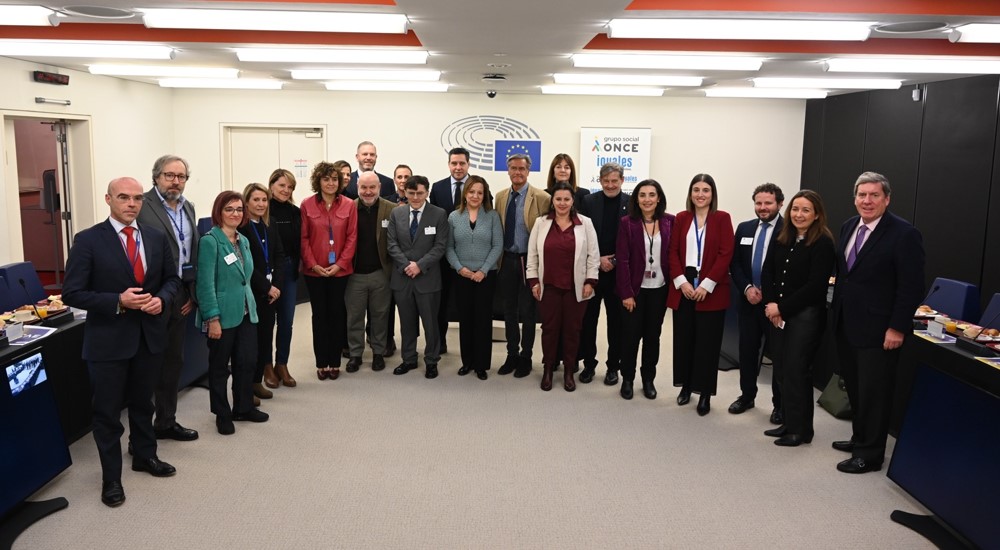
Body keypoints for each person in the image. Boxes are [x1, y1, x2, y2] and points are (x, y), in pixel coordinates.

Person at [63, 176, 181, 508]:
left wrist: (162, 298)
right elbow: (72, 293)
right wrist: (118, 300)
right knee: (108, 413)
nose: (131, 204)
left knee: (144, 404)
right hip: (108, 341)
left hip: (149, 336)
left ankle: (145, 456)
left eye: (137, 198)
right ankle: (111, 477)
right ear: (108, 199)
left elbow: (172, 280)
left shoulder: (156, 238)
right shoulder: (88, 240)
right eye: (123, 197)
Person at [831, 172, 924, 473]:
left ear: (887, 198)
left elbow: (911, 287)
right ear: (854, 197)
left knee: (875, 392)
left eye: (874, 195)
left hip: (880, 330)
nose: (867, 201)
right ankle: (860, 438)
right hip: (848, 324)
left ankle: (869, 455)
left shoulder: (904, 234)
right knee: (856, 389)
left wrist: (897, 327)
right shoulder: (848, 226)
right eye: (862, 195)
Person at [759, 190, 836, 446]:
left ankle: (801, 431)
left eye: (805, 210)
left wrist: (780, 307)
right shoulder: (783, 236)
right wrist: (771, 303)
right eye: (795, 209)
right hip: (778, 313)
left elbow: (815, 286)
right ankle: (789, 424)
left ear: (816, 215)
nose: (799, 214)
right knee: (781, 370)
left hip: (806, 317)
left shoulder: (823, 242)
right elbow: (767, 270)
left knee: (797, 371)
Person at [136, 154, 199, 443]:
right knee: (148, 367)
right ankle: (141, 432)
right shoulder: (141, 206)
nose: (176, 182)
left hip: (180, 296)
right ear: (156, 176)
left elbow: (190, 254)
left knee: (174, 362)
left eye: (181, 176)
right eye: (169, 175)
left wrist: (191, 293)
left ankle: (165, 421)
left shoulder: (189, 208)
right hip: (152, 297)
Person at [196, 191, 269, 435]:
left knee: (247, 362)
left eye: (239, 209)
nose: (235, 214)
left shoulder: (243, 240)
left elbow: (244, 278)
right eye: (229, 209)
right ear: (219, 212)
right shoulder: (210, 241)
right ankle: (222, 413)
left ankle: (243, 406)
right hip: (222, 314)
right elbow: (205, 284)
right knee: (219, 367)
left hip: (247, 311)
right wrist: (212, 318)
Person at [667, 173, 735, 416]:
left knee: (707, 344)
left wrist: (706, 285)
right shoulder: (682, 218)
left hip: (711, 291)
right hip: (684, 287)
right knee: (684, 340)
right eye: (696, 189)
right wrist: (681, 282)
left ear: (712, 194)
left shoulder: (722, 218)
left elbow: (726, 253)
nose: (700, 194)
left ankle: (704, 393)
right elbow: (672, 252)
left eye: (705, 190)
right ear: (690, 193)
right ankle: (685, 386)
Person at [526, 183, 599, 392]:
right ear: (552, 201)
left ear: (573, 201)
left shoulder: (585, 223)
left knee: (572, 330)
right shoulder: (541, 223)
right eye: (558, 199)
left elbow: (593, 256)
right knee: (549, 330)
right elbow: (532, 255)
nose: (562, 203)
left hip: (576, 288)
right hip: (548, 287)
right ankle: (548, 368)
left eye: (566, 199)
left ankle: (568, 370)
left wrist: (590, 282)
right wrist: (533, 281)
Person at [729, 183, 785, 421]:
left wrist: (772, 297)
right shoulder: (744, 228)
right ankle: (747, 396)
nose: (762, 208)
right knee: (747, 351)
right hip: (748, 302)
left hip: (776, 307)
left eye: (768, 203)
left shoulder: (789, 230)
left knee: (779, 356)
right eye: (758, 203)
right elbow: (736, 264)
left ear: (780, 204)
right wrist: (747, 288)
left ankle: (779, 405)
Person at [615, 179, 674, 400]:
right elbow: (622, 260)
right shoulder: (627, 223)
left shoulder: (670, 222)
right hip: (635, 290)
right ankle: (627, 379)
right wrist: (627, 293)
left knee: (653, 336)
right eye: (642, 195)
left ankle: (648, 379)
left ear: (659, 198)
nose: (647, 199)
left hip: (659, 289)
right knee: (630, 336)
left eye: (651, 195)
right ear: (636, 199)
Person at [386, 175, 450, 379]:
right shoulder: (397, 213)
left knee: (431, 324)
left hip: (428, 278)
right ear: (405, 192)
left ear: (427, 193)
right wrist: (407, 266)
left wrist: (420, 266)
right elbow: (391, 244)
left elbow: (440, 246)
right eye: (411, 193)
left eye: (420, 193)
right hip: (402, 278)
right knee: (406, 323)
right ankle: (409, 359)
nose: (415, 197)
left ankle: (431, 361)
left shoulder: (439, 214)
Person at [300, 161, 358, 380]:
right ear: (319, 181)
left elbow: (352, 237)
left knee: (336, 314)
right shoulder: (307, 205)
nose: (331, 183)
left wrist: (340, 264)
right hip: (314, 271)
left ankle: (334, 362)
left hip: (340, 271)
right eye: (326, 179)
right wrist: (313, 263)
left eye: (335, 179)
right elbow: (304, 238)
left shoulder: (349, 205)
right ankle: (321, 362)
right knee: (319, 316)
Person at [495, 153, 551, 378]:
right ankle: (511, 354)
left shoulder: (541, 197)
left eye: (521, 169)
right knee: (508, 310)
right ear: (507, 170)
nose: (517, 172)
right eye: (513, 169)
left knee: (528, 311)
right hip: (507, 260)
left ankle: (526, 357)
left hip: (529, 261)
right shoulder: (500, 197)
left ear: (528, 171)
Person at [446, 175, 503, 380]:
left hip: (485, 277)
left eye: (479, 192)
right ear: (465, 193)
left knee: (482, 320)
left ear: (484, 194)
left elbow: (498, 245)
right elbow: (449, 247)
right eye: (471, 192)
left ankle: (481, 365)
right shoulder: (453, 217)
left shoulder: (492, 216)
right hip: (462, 276)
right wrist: (460, 268)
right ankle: (467, 362)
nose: (475, 196)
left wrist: (484, 270)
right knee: (466, 320)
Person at [578, 162, 629, 385]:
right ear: (600, 181)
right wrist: (598, 260)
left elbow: (632, 240)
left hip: (618, 272)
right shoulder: (588, 202)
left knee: (616, 323)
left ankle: (613, 367)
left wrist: (615, 260)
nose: (610, 185)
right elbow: (581, 236)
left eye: (614, 181)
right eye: (606, 181)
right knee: (588, 321)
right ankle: (589, 364)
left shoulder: (631, 203)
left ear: (622, 181)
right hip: (592, 270)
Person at [345, 171, 396, 373]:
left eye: (372, 187)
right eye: (364, 187)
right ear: (357, 187)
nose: (368, 191)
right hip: (354, 273)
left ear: (379, 187)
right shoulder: (348, 208)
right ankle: (355, 354)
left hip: (381, 272)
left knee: (380, 316)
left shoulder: (391, 210)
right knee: (354, 316)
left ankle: (378, 353)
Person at [239, 183, 285, 404]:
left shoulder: (271, 224)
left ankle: (257, 382)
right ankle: (246, 386)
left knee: (266, 338)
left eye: (264, 200)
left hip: (271, 292)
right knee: (250, 342)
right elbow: (246, 266)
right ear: (246, 202)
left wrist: (276, 285)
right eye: (256, 200)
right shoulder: (241, 228)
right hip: (252, 291)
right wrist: (266, 287)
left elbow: (278, 255)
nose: (260, 204)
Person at [430, 147, 473, 354]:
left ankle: (469, 345)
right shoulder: (437, 188)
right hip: (443, 256)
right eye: (454, 163)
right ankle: (440, 342)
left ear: (468, 164)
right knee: (442, 302)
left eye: (462, 163)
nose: (458, 167)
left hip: (469, 255)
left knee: (467, 304)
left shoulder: (478, 186)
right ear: (449, 164)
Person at [266, 168, 300, 388]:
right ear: (271, 186)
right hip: (267, 273)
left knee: (286, 322)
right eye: (281, 186)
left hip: (289, 270)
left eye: (290, 187)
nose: (286, 190)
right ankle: (267, 366)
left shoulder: (295, 212)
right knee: (267, 322)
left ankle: (282, 364)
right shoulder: (262, 209)